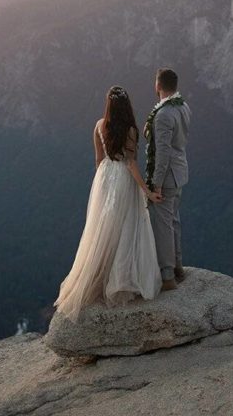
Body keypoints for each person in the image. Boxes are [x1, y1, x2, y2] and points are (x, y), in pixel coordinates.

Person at [53, 85, 164, 321]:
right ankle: (120, 280)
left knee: (102, 229)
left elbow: (98, 159)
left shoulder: (99, 125)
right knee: (126, 227)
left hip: (104, 177)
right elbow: (131, 163)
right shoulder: (131, 130)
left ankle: (97, 277)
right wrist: (146, 191)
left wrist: (102, 186)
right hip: (123, 178)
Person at [144, 67, 191, 291]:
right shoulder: (184, 107)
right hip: (181, 172)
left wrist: (156, 183)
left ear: (158, 85)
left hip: (168, 176)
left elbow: (162, 153)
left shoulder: (162, 115)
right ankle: (179, 265)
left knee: (162, 225)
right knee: (174, 221)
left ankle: (167, 275)